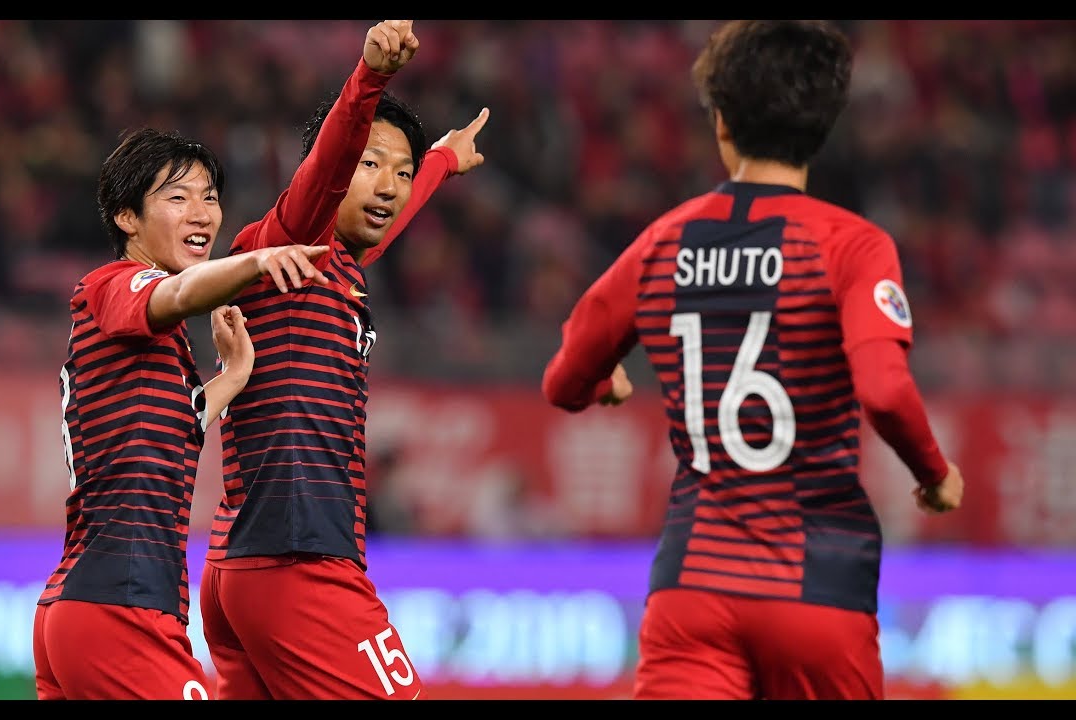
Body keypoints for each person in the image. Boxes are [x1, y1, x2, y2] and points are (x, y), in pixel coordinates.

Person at [540, 20, 964, 700]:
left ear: (721, 123)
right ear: (822, 128)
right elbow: (884, 392)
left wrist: (601, 381)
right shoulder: (852, 247)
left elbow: (562, 382)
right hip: (817, 586)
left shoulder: (661, 243)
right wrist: (935, 474)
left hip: (693, 590)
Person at [196, 19, 489, 700]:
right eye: (370, 165)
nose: (389, 186)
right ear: (324, 175)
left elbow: (388, 222)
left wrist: (440, 160)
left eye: (402, 172)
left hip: (242, 562)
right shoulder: (287, 239)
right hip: (299, 562)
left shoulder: (337, 267)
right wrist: (370, 79)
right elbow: (327, 171)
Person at [32, 126, 332, 700]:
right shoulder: (118, 284)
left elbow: (175, 426)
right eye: (177, 197)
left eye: (210, 197)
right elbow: (173, 296)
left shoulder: (144, 343)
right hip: (122, 605)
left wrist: (232, 378)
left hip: (79, 605)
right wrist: (257, 263)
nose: (201, 213)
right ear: (126, 217)